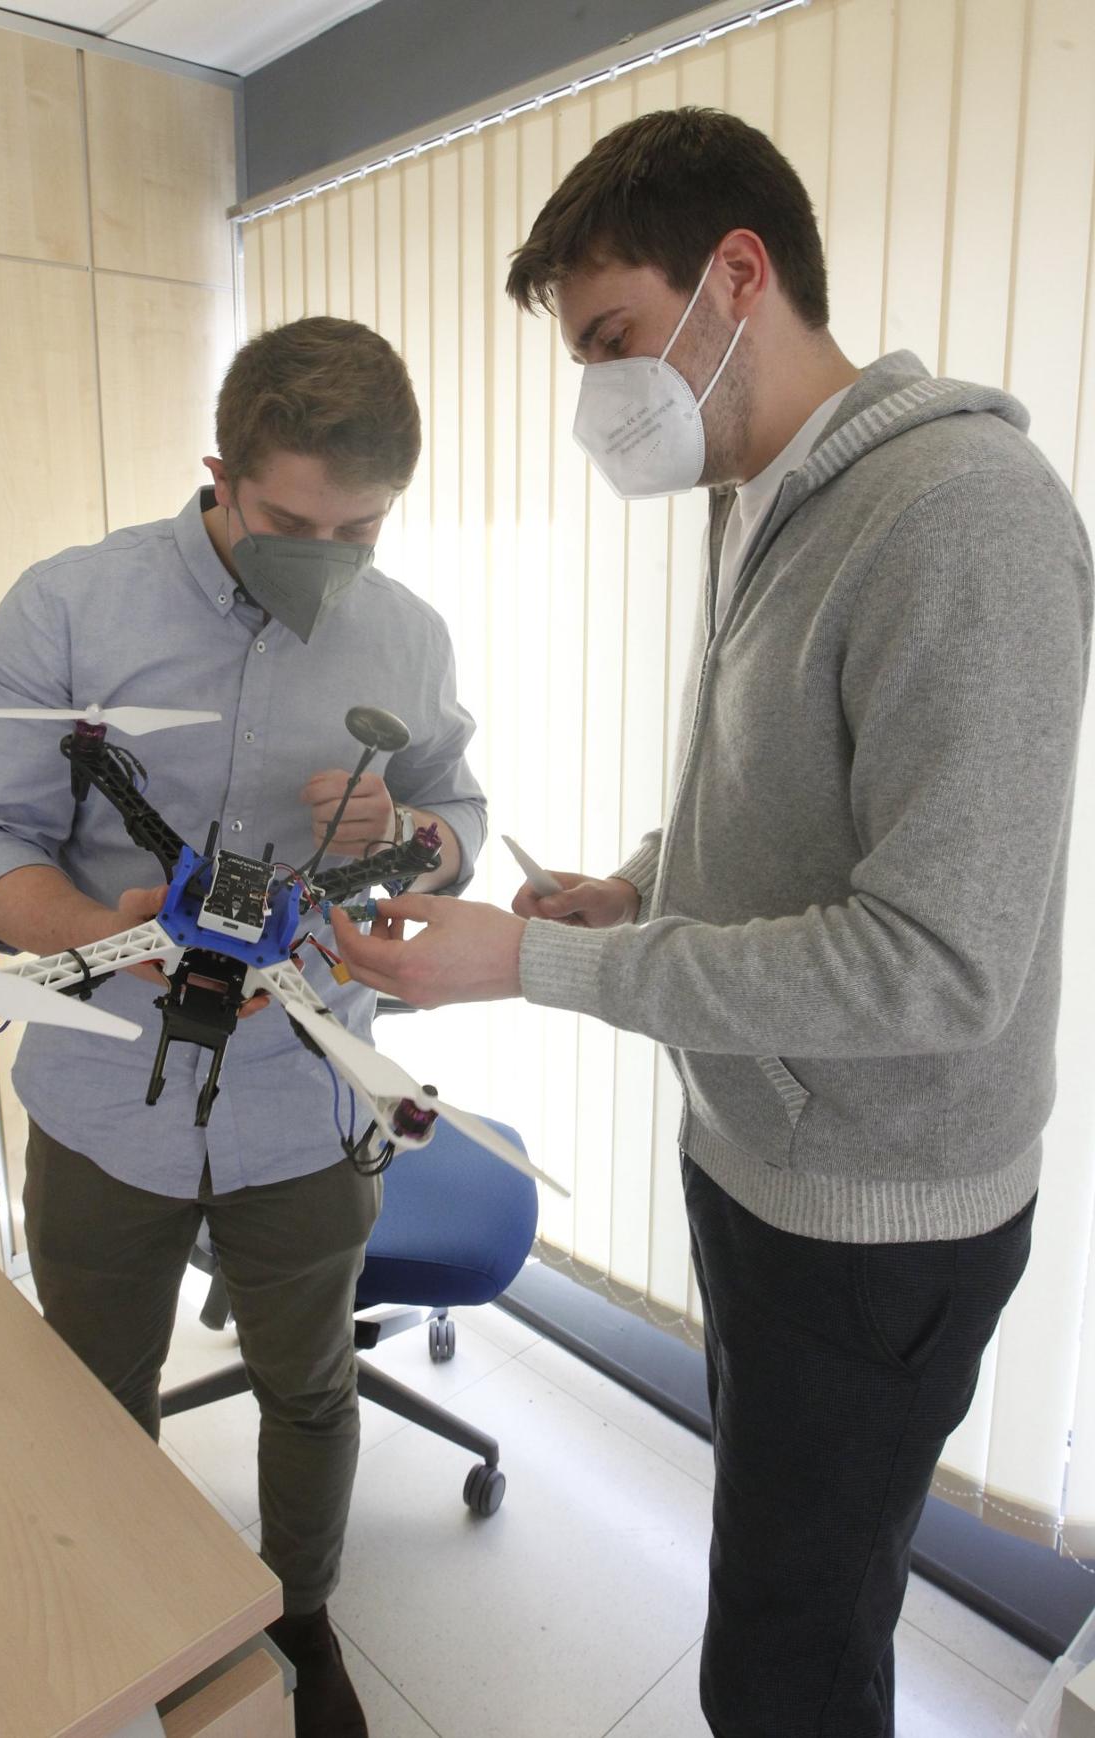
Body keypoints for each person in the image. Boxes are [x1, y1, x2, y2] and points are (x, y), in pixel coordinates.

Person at [330, 108, 1094, 1737]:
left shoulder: (965, 516)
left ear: (737, 275)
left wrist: (537, 957)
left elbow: (937, 964)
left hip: (878, 1217)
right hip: (757, 1154)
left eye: (614, 337)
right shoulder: (758, 494)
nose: (604, 392)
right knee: (781, 1586)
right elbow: (799, 802)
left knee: (786, 1649)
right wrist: (646, 878)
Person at [0, 315, 486, 1738]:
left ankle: (299, 1616)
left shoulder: (407, 633)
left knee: (312, 1393)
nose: (329, 554)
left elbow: (462, 829)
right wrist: (104, 939)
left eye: (359, 528)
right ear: (220, 474)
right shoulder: (67, 606)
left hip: (303, 1111)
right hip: (103, 1099)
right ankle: (131, 1627)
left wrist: (411, 830)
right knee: (95, 1403)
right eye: (293, 520)